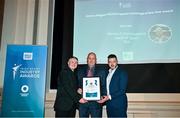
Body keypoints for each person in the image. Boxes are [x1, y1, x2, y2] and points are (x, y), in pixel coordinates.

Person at [77, 52, 106, 118]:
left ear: (96, 60)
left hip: (96, 103)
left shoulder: (102, 71)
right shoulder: (80, 70)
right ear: (87, 60)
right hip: (83, 102)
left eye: (93, 58)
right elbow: (76, 83)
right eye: (89, 58)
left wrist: (102, 96)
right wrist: (78, 89)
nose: (91, 60)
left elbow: (104, 85)